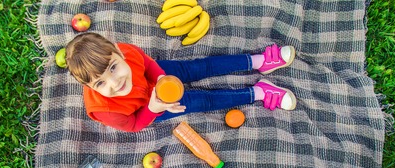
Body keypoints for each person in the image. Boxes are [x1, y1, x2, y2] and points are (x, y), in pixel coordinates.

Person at [65, 32, 297, 132]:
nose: (115, 83)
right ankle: (259, 93)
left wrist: (160, 77)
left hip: (154, 77)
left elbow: (146, 64)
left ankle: (260, 60)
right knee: (200, 100)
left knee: (199, 67)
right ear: (89, 88)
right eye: (101, 84)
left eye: (113, 68)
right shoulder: (106, 111)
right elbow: (135, 125)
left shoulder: (126, 51)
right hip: (150, 108)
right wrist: (153, 109)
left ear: (118, 51)